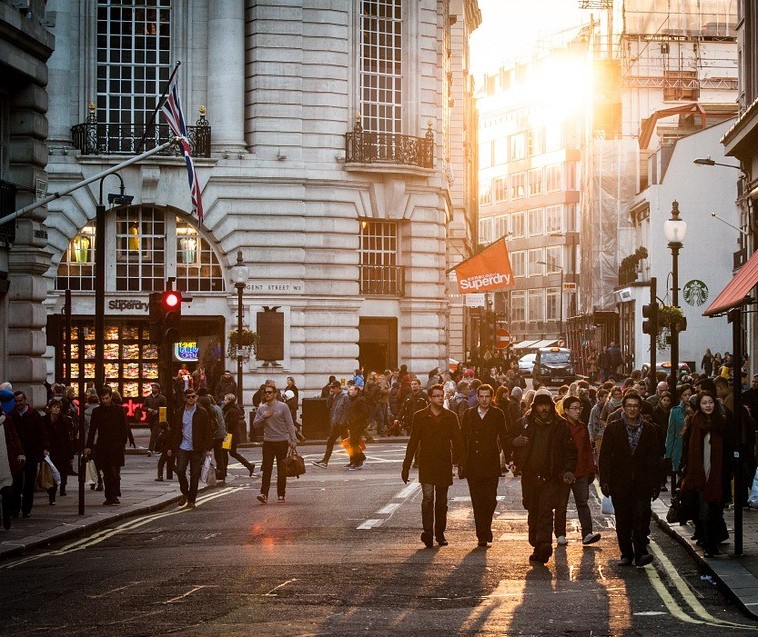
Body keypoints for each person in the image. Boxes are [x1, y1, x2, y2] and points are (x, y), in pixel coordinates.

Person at [511, 389, 577, 564]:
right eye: (540, 405)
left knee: (546, 511)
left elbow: (570, 451)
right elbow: (509, 440)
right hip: (530, 476)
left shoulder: (560, 426)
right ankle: (536, 543)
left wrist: (569, 470)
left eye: (546, 405)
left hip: (551, 476)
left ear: (552, 406)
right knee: (532, 509)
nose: (544, 409)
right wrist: (514, 444)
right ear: (534, 406)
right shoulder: (524, 423)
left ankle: (544, 543)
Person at [599, 391, 661, 567]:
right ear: (623, 408)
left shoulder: (649, 430)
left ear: (640, 408)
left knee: (641, 517)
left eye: (635, 406)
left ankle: (641, 552)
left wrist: (656, 483)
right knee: (623, 519)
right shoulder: (613, 428)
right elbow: (605, 457)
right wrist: (605, 480)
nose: (632, 409)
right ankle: (626, 554)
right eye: (629, 406)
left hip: (642, 483)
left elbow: (655, 458)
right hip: (620, 482)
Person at [401, 384, 463, 547]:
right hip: (427, 462)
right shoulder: (420, 416)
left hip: (444, 463)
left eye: (441, 396)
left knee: (441, 501)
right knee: (428, 498)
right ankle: (428, 532)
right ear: (430, 398)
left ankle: (440, 533)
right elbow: (413, 441)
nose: (440, 398)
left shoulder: (451, 417)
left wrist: (462, 463)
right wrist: (406, 466)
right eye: (436, 396)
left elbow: (458, 442)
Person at [680, 391, 734, 556]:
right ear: (700, 405)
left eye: (710, 402)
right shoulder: (694, 422)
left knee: (714, 512)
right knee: (703, 512)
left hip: (717, 476)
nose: (708, 406)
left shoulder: (722, 423)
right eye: (704, 403)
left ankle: (710, 542)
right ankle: (709, 544)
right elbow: (687, 448)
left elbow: (729, 449)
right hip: (698, 475)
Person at [459, 384, 509, 548]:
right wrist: (460, 461)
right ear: (477, 397)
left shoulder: (497, 414)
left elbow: (503, 436)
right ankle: (482, 534)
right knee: (477, 500)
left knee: (490, 499)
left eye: (487, 396)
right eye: (481, 396)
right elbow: (462, 438)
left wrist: (509, 459)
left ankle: (486, 527)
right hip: (473, 464)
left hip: (491, 463)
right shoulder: (469, 414)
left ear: (492, 397)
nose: (484, 399)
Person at [554, 396, 601, 547]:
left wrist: (591, 468)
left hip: (581, 472)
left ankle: (587, 533)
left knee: (583, 503)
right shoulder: (560, 426)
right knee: (561, 505)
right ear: (566, 410)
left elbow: (587, 449)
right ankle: (560, 534)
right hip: (564, 473)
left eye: (579, 408)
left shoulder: (582, 427)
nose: (577, 411)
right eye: (574, 408)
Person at [168, 388, 214, 509]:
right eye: (188, 397)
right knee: (181, 471)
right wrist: (171, 447)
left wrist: (209, 448)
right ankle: (185, 493)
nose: (191, 399)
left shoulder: (202, 412)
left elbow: (208, 431)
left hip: (196, 448)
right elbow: (174, 431)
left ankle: (191, 500)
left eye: (193, 396)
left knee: (194, 475)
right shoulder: (179, 412)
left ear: (196, 397)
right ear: (185, 398)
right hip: (183, 447)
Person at [85, 386, 130, 506]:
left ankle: (114, 494)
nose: (105, 401)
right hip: (103, 446)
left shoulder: (119, 410)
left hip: (116, 446)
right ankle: (109, 496)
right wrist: (88, 445)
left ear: (111, 397)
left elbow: (124, 428)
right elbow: (92, 430)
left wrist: (122, 442)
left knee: (115, 472)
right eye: (103, 399)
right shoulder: (96, 411)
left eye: (107, 398)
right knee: (106, 473)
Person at [253, 384, 298, 503]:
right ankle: (264, 494)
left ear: (275, 394)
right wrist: (263, 416)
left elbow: (289, 424)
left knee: (281, 469)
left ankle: (281, 495)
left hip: (282, 441)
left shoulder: (283, 407)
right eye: (265, 392)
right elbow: (255, 424)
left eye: (269, 392)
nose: (267, 394)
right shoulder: (262, 408)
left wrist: (293, 440)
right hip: (268, 442)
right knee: (267, 469)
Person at [10, 391, 49, 519]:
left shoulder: (34, 415)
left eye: (20, 401)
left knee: (29, 483)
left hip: (32, 453)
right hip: (17, 454)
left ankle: (26, 509)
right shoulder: (12, 415)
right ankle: (15, 509)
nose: (18, 403)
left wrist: (43, 448)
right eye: (16, 401)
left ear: (25, 400)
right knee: (16, 482)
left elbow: (42, 433)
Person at [311, 380, 350, 468]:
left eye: (333, 388)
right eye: (330, 388)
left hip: (341, 424)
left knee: (344, 442)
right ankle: (325, 461)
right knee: (334, 442)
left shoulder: (345, 396)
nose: (331, 389)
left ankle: (355, 460)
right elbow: (329, 406)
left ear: (338, 387)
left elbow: (346, 411)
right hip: (336, 423)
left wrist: (342, 422)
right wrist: (330, 396)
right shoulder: (334, 395)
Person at [42, 398, 74, 503]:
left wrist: (70, 455)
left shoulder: (64, 420)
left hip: (61, 450)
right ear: (50, 408)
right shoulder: (44, 420)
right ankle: (52, 494)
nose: (56, 409)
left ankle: (60, 488)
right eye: (54, 407)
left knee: (60, 471)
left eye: (58, 407)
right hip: (49, 450)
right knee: (51, 473)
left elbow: (67, 438)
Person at [222, 393, 256, 476]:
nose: (224, 401)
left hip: (229, 435)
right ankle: (249, 466)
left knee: (225, 452)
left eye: (226, 399)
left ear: (230, 400)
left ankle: (224, 471)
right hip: (230, 434)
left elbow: (231, 423)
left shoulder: (232, 410)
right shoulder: (230, 409)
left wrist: (225, 426)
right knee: (231, 453)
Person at [0, 411, 24, 530]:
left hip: (6, 461)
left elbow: (14, 437)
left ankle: (6, 517)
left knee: (7, 492)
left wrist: (20, 453)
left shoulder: (7, 421)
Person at [345, 383, 370, 470]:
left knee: (353, 443)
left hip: (358, 425)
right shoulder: (352, 400)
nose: (350, 391)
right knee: (353, 443)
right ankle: (358, 459)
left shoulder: (359, 400)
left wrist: (356, 420)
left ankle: (358, 461)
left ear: (356, 391)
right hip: (352, 424)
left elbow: (365, 412)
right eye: (349, 390)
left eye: (352, 390)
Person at [143, 382, 167, 457]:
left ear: (158, 389)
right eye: (153, 388)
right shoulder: (148, 398)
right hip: (150, 418)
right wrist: (148, 409)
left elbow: (165, 408)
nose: (153, 389)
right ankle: (160, 448)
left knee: (154, 434)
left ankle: (150, 449)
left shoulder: (162, 398)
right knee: (155, 434)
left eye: (155, 388)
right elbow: (143, 407)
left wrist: (157, 411)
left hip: (158, 418)